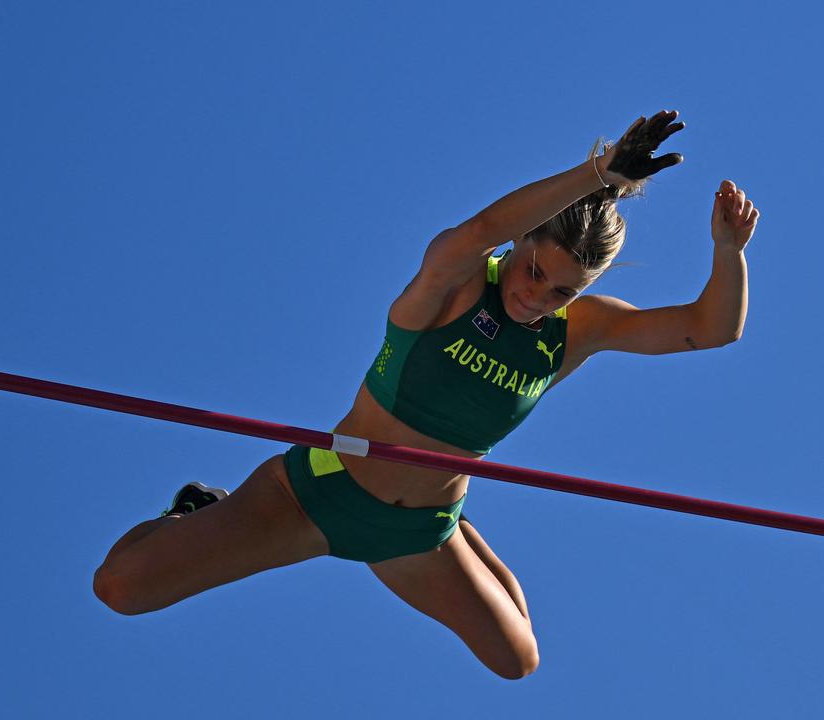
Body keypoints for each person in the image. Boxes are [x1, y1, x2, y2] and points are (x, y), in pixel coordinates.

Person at [92, 110, 760, 679]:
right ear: (524, 241)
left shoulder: (577, 329)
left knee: (517, 659)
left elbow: (711, 330)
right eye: (534, 271)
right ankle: (197, 509)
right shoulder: (458, 283)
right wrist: (598, 174)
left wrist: (727, 250)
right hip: (316, 494)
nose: (537, 296)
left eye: (562, 291)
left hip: (417, 532)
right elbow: (477, 230)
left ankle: (461, 520)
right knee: (120, 587)